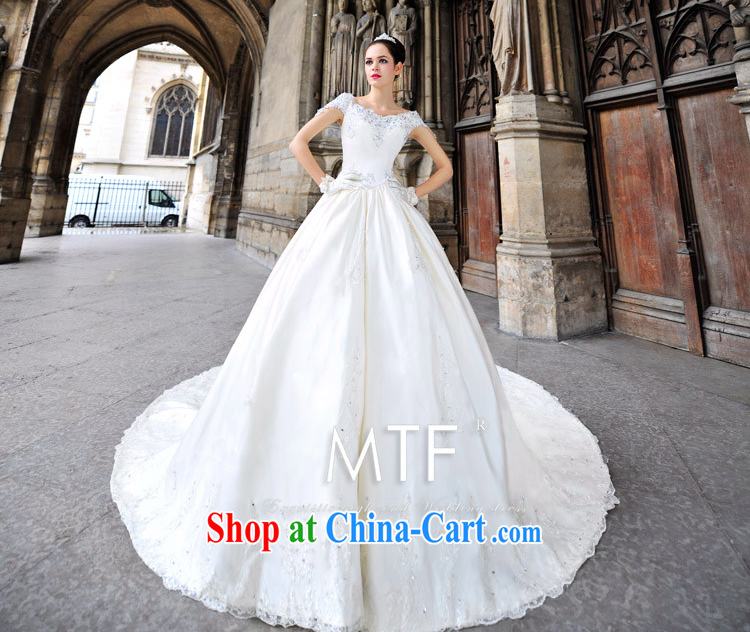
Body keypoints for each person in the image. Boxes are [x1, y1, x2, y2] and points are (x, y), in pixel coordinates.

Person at [110, 33, 617, 631]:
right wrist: (328, 183)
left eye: (383, 61)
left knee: (408, 325)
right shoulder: (347, 103)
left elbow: (446, 166)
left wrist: (411, 191)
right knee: (317, 321)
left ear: (400, 69)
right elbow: (301, 142)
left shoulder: (408, 118)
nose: (374, 68)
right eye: (369, 61)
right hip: (343, 210)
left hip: (393, 216)